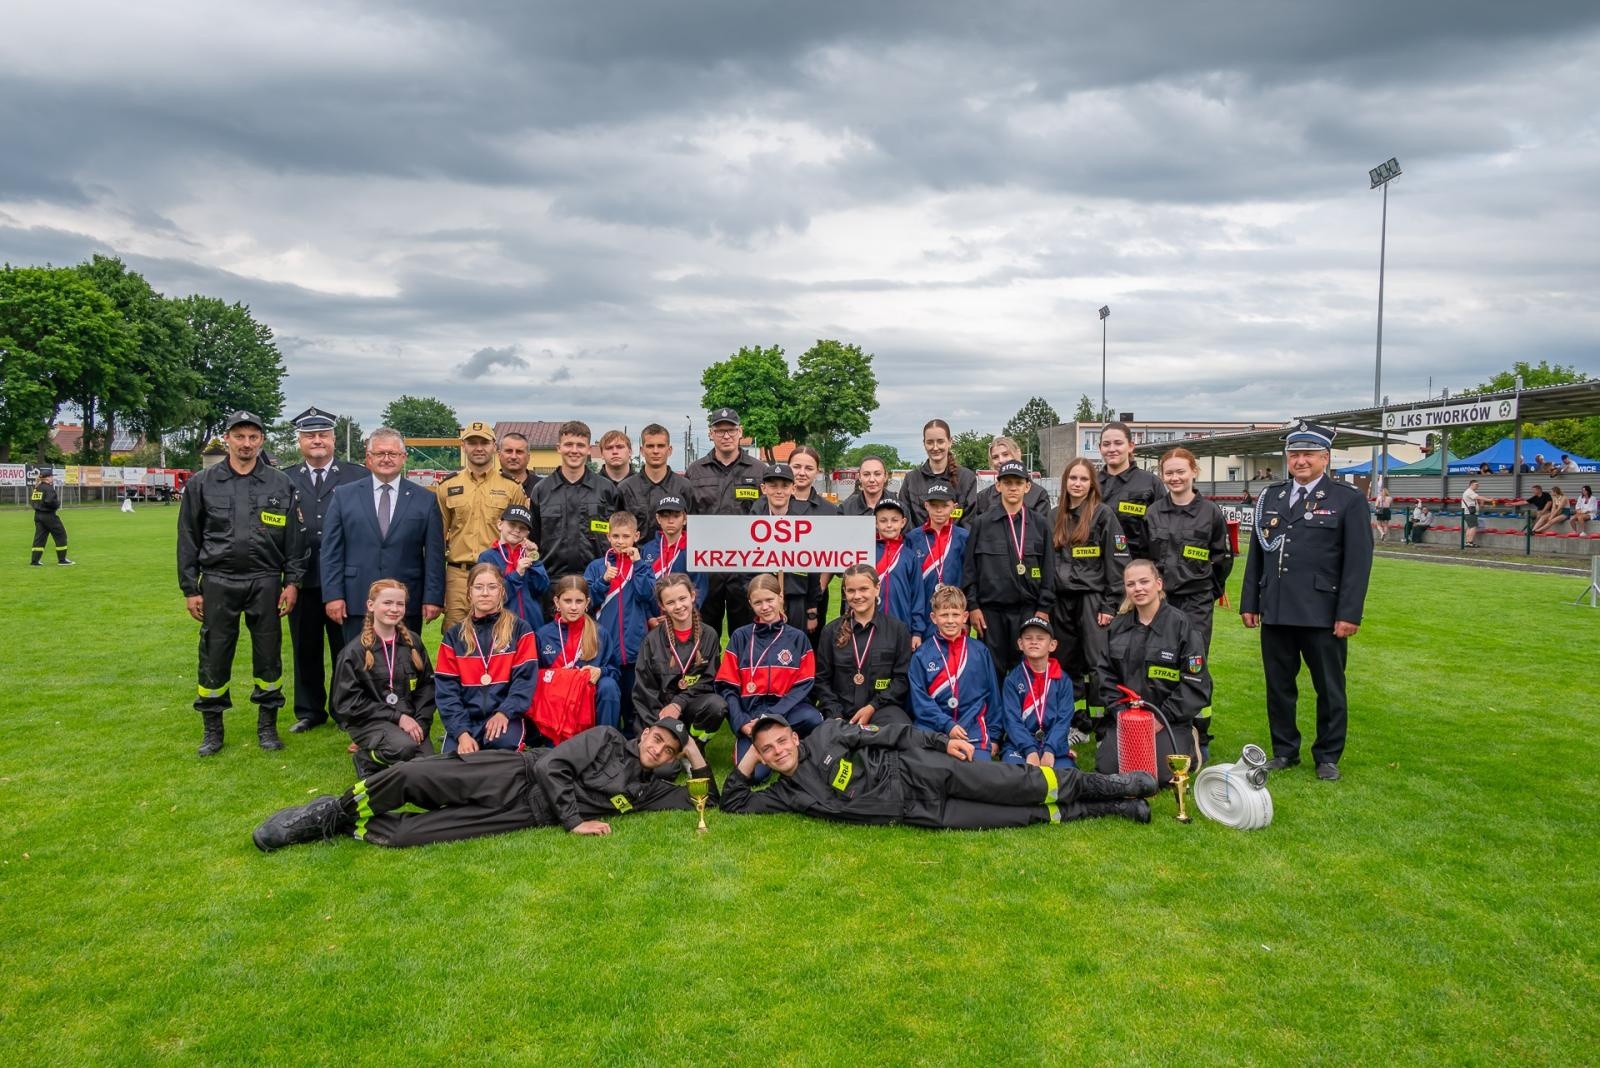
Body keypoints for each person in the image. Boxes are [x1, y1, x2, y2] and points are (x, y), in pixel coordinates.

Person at [252, 718, 712, 850]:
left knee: (412, 834)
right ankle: (325, 814)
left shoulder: (651, 789)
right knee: (415, 775)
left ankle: (346, 826)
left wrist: (693, 754)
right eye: (657, 738)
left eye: (669, 750)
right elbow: (554, 768)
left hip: (526, 814)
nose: (658, 750)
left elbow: (709, 799)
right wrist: (575, 822)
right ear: (645, 733)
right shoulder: (608, 737)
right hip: (514, 772)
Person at [720, 712, 1156, 826]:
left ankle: (1109, 784)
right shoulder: (784, 795)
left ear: (795, 737)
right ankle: (1108, 808)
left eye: (781, 741)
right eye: (767, 751)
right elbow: (733, 803)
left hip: (920, 771)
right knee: (1016, 815)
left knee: (1015, 782)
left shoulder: (828, 734)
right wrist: (751, 755)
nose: (777, 751)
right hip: (920, 813)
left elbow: (893, 734)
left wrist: (942, 742)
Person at [1241, 420, 1373, 782]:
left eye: (1308, 454)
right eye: (1294, 454)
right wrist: (1250, 602)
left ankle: (1327, 756)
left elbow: (1358, 563)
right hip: (1277, 609)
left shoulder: (1347, 499)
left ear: (1325, 458)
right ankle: (1285, 751)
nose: (1300, 460)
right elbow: (1257, 555)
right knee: (1279, 686)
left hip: (1322, 613)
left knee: (1329, 688)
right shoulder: (1272, 496)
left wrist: (1349, 613)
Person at [177, 410, 308, 755]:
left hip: (266, 581)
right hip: (218, 581)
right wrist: (190, 588)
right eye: (239, 436)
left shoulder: (280, 483)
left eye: (253, 437)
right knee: (214, 654)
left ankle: (267, 726)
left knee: (268, 656)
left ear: (261, 440)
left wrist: (292, 582)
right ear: (227, 439)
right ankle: (212, 730)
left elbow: (294, 540)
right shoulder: (202, 483)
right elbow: (188, 538)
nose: (246, 443)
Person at [283, 406, 369, 733]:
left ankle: (345, 709)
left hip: (345, 578)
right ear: (300, 441)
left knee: (345, 649)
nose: (317, 440)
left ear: (333, 439)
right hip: (302, 578)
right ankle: (309, 711)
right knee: (305, 648)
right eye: (309, 436)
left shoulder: (357, 476)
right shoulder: (285, 479)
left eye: (323, 435)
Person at [321, 427, 445, 644]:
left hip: (406, 601)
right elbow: (331, 552)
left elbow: (434, 554)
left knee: (404, 659)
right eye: (380, 453)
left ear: (403, 457)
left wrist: (433, 597)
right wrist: (333, 595)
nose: (386, 459)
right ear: (368, 458)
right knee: (358, 660)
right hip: (356, 599)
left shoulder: (425, 499)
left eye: (393, 454)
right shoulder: (344, 496)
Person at [1100, 559, 1212, 773]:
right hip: (1129, 718)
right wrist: (1122, 714)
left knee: (1159, 773)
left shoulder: (1181, 625)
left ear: (1158, 584)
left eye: (1144, 582)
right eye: (1131, 584)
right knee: (1108, 768)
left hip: (1168, 720)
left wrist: (1162, 717)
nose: (1138, 588)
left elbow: (1195, 682)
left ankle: (1190, 740)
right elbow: (1105, 675)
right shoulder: (1118, 626)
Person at [715, 573, 824, 768]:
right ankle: (758, 740)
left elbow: (804, 684)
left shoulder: (798, 638)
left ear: (780, 597)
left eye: (769, 600)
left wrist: (771, 715)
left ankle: (787, 744)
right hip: (750, 715)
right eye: (758, 602)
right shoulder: (740, 637)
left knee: (812, 718)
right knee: (754, 774)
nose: (765, 607)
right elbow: (726, 686)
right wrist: (741, 722)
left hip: (786, 711)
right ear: (750, 604)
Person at [330, 579, 436, 776]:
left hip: (410, 719)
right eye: (387, 603)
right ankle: (366, 759)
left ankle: (397, 762)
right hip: (371, 722)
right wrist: (397, 717)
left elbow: (427, 688)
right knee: (404, 748)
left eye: (400, 604)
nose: (394, 609)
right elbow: (347, 704)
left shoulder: (413, 643)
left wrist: (420, 723)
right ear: (371, 605)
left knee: (427, 767)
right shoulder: (354, 652)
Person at [1048, 456, 1126, 719]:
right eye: (1073, 478)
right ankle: (1077, 721)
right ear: (1065, 481)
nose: (1077, 483)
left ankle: (1103, 723)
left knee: (1097, 662)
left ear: (1092, 484)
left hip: (1092, 599)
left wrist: (1110, 605)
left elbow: (1117, 563)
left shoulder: (1103, 515)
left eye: (1083, 479)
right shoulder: (1053, 516)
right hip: (1061, 601)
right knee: (1066, 662)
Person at [435, 564, 540, 754]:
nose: (485, 593)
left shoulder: (520, 630)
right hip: (466, 719)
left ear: (502, 591)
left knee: (501, 752)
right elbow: (446, 690)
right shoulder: (454, 636)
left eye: (492, 587)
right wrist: (461, 733)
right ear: (469, 593)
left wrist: (504, 712)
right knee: (454, 762)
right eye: (478, 587)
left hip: (505, 717)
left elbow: (524, 681)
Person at [962, 460, 1054, 676]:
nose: (1013, 488)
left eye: (1018, 483)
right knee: (992, 671)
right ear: (998, 485)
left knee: (1026, 670)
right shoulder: (982, 523)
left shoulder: (1040, 524)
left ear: (1027, 487)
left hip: (1028, 610)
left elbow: (1049, 569)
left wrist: (1044, 608)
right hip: (990, 613)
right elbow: (970, 569)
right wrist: (973, 606)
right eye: (1008, 483)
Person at [436, 421, 530, 629]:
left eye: (484, 443)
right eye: (472, 443)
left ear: (494, 447)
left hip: (499, 573)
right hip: (458, 576)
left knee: (499, 634)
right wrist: (436, 587)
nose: (478, 448)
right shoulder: (447, 486)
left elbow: (520, 536)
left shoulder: (511, 487)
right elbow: (437, 540)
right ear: (464, 446)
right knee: (456, 635)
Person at [1144, 447, 1232, 654]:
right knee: (1158, 658)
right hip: (1160, 600)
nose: (1175, 478)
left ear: (1194, 471)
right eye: (1169, 473)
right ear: (1162, 476)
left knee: (1193, 659)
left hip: (1197, 602)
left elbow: (1222, 559)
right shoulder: (1153, 512)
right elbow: (1144, 556)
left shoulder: (1211, 513)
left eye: (1180, 472)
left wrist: (1207, 590)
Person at [685, 407, 765, 634]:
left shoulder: (759, 471)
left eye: (731, 430)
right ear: (711, 434)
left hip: (746, 564)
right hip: (707, 566)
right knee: (704, 631)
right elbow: (687, 516)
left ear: (741, 432)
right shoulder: (695, 471)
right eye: (720, 431)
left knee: (747, 632)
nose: (726, 435)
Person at [908, 585, 1002, 759]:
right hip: (933, 729)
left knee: (979, 773)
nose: (950, 621)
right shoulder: (922, 655)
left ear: (965, 616)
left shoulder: (980, 651)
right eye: (944, 615)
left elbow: (992, 695)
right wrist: (947, 725)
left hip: (973, 730)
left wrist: (994, 735)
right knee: (929, 772)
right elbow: (919, 700)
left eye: (955, 614)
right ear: (933, 618)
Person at [632, 573, 728, 742]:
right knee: (662, 760)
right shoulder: (652, 640)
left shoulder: (709, 635)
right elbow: (644, 690)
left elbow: (709, 680)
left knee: (717, 706)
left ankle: (697, 744)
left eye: (682, 598)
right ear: (662, 606)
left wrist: (679, 703)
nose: (678, 606)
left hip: (692, 705)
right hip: (661, 712)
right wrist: (659, 726)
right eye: (670, 602)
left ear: (692, 596)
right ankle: (672, 744)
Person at [815, 564, 914, 727]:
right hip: (840, 711)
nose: (857, 596)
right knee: (824, 738)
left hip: (881, 709)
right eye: (851, 591)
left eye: (863, 589)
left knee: (902, 731)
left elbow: (901, 680)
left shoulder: (898, 630)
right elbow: (821, 680)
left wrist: (873, 706)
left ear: (877, 588)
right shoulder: (830, 632)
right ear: (845, 593)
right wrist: (835, 713)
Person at [530, 420, 622, 584]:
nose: (574, 450)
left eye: (580, 445)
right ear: (558, 447)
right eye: (568, 444)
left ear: (588, 449)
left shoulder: (606, 489)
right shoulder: (541, 490)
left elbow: (618, 535)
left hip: (599, 580)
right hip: (552, 582)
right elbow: (533, 539)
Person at [584, 510, 654, 723]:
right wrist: (603, 581)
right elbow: (586, 602)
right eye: (615, 536)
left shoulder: (642, 566)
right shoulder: (597, 567)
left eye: (626, 536)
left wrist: (638, 565)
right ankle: (608, 737)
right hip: (605, 648)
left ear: (636, 536)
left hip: (634, 648)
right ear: (608, 536)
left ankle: (632, 738)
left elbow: (647, 594)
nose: (620, 541)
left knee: (633, 703)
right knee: (608, 699)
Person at [535, 574, 623, 730]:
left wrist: (600, 671)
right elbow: (534, 677)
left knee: (608, 686)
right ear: (557, 602)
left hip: (588, 699)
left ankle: (605, 739)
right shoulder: (543, 635)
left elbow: (615, 670)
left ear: (587, 603)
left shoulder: (599, 633)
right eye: (567, 601)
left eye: (579, 601)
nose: (574, 607)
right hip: (556, 703)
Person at [996, 615, 1075, 768]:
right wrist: (1030, 750)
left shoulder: (1063, 680)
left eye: (1040, 638)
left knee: (1065, 776)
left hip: (1053, 743)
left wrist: (1050, 749)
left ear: (1052, 645)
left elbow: (1063, 720)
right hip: (1019, 745)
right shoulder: (1012, 680)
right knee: (1016, 774)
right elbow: (1012, 721)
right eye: (1028, 638)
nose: (1034, 642)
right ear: (1020, 644)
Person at [754, 462, 823, 633]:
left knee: (795, 645)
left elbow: (813, 569)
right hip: (763, 602)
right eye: (773, 485)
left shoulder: (803, 525)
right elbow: (744, 568)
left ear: (793, 489)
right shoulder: (754, 525)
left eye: (785, 486)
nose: (779, 491)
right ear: (764, 488)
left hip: (796, 600)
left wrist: (812, 608)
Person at [905, 480, 969, 639]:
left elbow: (970, 578)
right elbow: (909, 581)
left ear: (954, 507)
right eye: (934, 505)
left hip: (953, 614)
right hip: (922, 612)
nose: (939, 510)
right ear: (926, 505)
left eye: (945, 505)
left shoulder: (964, 537)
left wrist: (965, 617)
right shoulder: (912, 538)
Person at [1097, 421, 1162, 563]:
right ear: (1100, 448)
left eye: (1118, 443)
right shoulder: (1090, 484)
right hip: (1096, 568)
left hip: (1136, 565)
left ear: (1131, 446)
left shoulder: (1151, 483)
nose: (1112, 449)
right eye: (1106, 444)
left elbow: (1162, 530)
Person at [617, 422, 695, 540]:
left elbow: (692, 528)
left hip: (676, 551)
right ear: (642, 450)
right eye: (650, 446)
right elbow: (617, 528)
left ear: (669, 450)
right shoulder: (626, 488)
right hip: (637, 551)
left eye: (661, 446)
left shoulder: (684, 487)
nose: (655, 451)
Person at [477, 505, 549, 631]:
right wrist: (517, 574)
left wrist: (535, 561)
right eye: (512, 524)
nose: (517, 530)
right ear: (500, 524)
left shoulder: (529, 555)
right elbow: (493, 596)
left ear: (527, 533)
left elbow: (541, 588)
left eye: (522, 528)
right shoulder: (487, 557)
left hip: (532, 625)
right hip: (500, 627)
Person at [635, 494, 707, 615]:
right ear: (658, 518)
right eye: (665, 516)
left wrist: (685, 615)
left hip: (683, 616)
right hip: (653, 619)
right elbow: (641, 585)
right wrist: (649, 617)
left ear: (685, 519)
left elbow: (700, 588)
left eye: (676, 516)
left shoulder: (694, 549)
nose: (670, 521)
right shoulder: (648, 549)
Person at [899, 419, 979, 528]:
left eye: (940, 441)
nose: (935, 447)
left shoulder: (967, 478)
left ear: (950, 442)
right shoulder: (911, 479)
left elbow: (969, 522)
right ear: (924, 444)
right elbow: (904, 518)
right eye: (930, 442)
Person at [870, 496, 920, 635]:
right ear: (875, 523)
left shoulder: (909, 556)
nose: (889, 525)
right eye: (883, 520)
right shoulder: (867, 552)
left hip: (901, 624)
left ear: (903, 522)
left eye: (894, 520)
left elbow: (917, 595)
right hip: (869, 624)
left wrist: (917, 631)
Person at [970, 436, 1050, 521]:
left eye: (1005, 454)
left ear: (1018, 453)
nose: (1001, 460)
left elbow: (1040, 526)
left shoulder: (1038, 495)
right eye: (995, 457)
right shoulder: (983, 497)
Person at [28, 469, 72, 566]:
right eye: (52, 476)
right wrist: (57, 504)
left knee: (39, 538)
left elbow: (33, 501)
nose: (53, 478)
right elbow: (50, 501)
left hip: (38, 515)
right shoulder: (48, 488)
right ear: (47, 478)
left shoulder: (37, 488)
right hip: (48, 515)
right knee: (61, 535)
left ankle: (35, 561)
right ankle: (62, 560)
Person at [497, 431, 540, 498]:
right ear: (499, 455)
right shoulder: (487, 485)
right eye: (509, 451)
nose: (513, 457)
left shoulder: (543, 487)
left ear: (528, 457)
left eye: (519, 452)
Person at [1460, 480, 1484, 547]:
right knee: (1473, 527)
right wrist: (1489, 500)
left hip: (1468, 512)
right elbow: (1479, 497)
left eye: (1478, 485)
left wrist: (1481, 503)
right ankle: (1470, 542)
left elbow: (1478, 498)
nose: (1477, 486)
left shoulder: (1471, 492)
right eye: (1476, 484)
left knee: (1470, 527)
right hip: (1470, 513)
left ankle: (1467, 542)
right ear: (1471, 485)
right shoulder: (1469, 492)